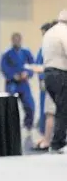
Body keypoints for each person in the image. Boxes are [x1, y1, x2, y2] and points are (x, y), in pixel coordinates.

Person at [0, 33, 35, 147]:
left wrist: (27, 73)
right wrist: (13, 76)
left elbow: (32, 65)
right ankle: (10, 128)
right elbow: (3, 67)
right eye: (14, 39)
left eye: (18, 39)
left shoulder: (26, 52)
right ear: (11, 40)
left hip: (24, 84)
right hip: (12, 84)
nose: (16, 41)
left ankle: (28, 126)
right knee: (10, 106)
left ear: (21, 40)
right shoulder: (7, 54)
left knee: (30, 106)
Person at [42, 9, 67, 154]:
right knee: (63, 110)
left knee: (60, 109)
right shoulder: (64, 32)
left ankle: (57, 142)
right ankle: (58, 143)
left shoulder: (51, 32)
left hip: (49, 74)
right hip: (61, 73)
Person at [33, 21, 57, 151]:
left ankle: (48, 140)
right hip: (50, 80)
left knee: (50, 113)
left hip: (51, 80)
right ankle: (47, 138)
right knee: (48, 111)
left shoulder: (50, 47)